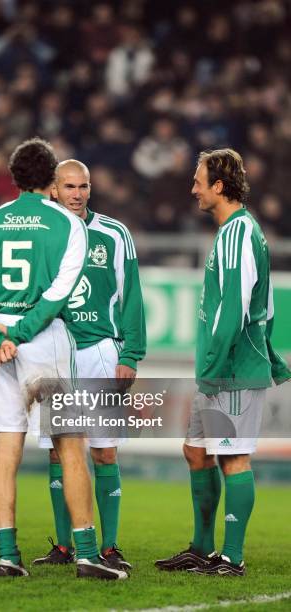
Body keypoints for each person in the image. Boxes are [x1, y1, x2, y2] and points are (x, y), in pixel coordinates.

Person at [0, 138, 128, 580]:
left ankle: (7, 556)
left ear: (14, 177)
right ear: (52, 180)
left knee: (6, 450)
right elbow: (59, 293)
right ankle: (88, 554)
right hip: (43, 341)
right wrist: (21, 332)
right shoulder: (68, 225)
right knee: (70, 446)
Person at [155, 148, 291, 576]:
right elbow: (264, 306)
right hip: (222, 365)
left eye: (200, 180)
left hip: (229, 369)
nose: (193, 187)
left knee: (234, 458)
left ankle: (231, 557)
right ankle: (201, 547)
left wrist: (215, 365)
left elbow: (233, 308)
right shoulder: (236, 232)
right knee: (196, 451)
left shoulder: (237, 234)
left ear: (219, 185)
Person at [33, 160, 146, 570]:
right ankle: (65, 546)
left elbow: (131, 295)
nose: (78, 194)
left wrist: (131, 354)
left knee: (103, 452)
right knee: (57, 453)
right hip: (55, 352)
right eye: (69, 186)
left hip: (100, 350)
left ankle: (110, 546)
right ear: (53, 190)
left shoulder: (114, 234)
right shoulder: (42, 234)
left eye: (83, 186)